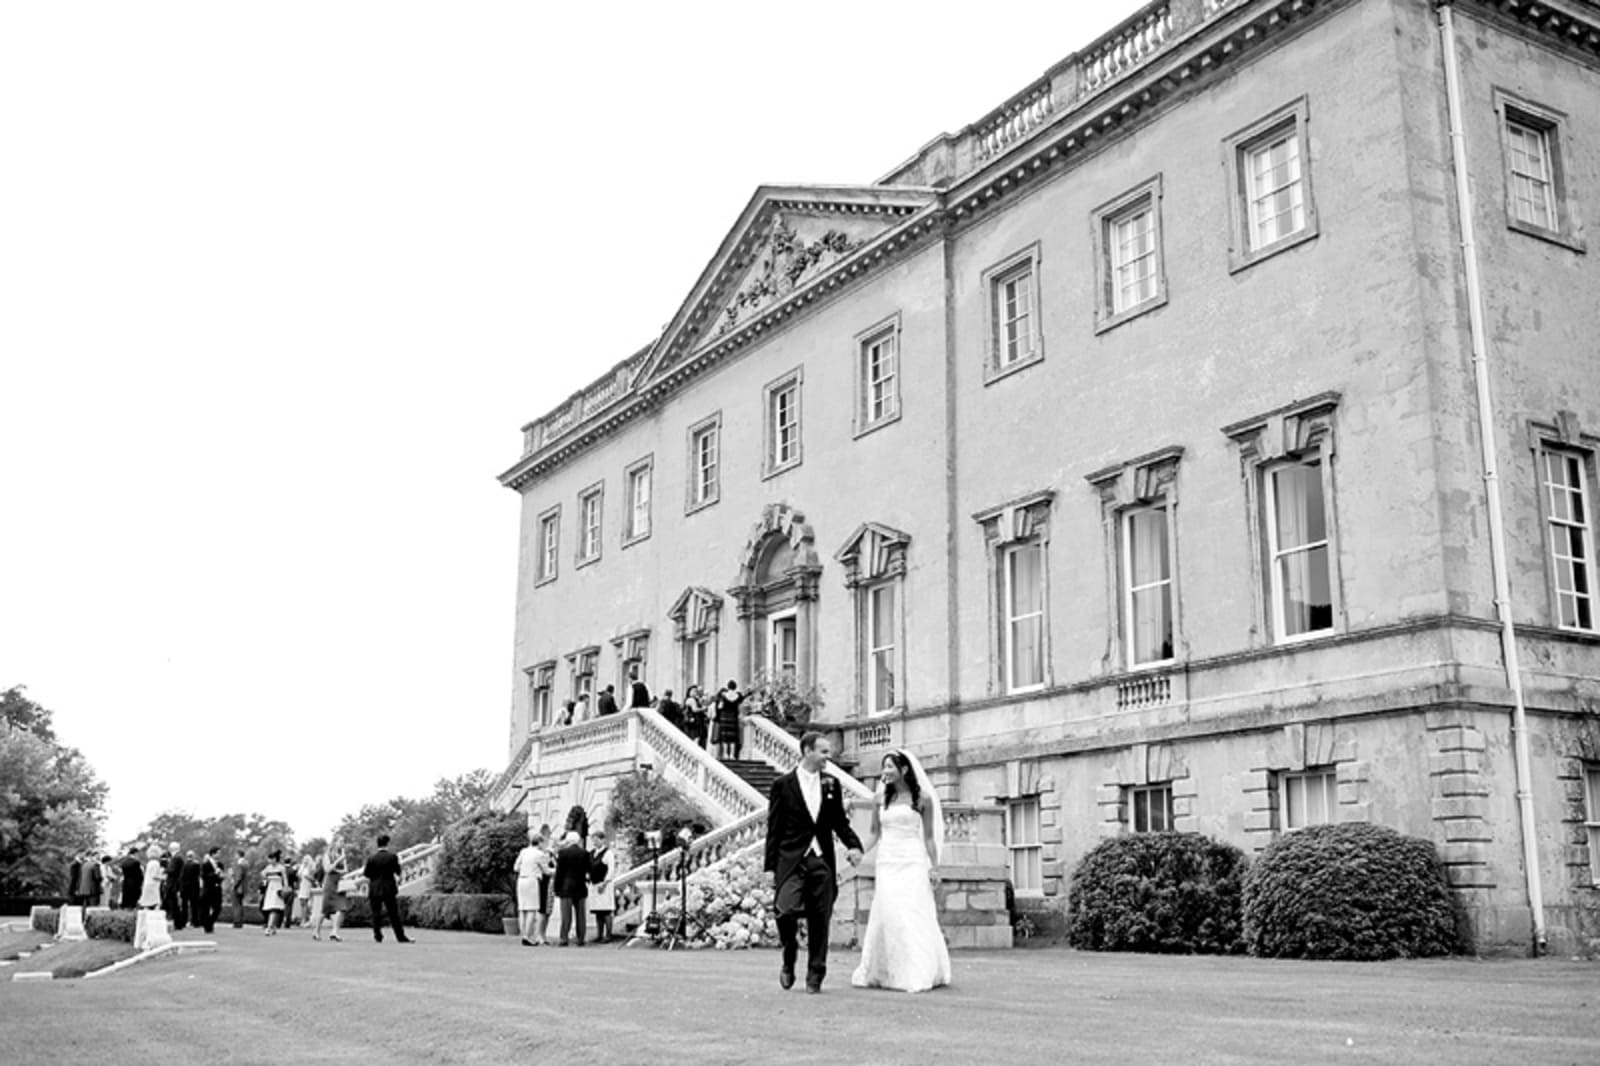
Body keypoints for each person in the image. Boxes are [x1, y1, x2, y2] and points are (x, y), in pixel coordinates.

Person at [764, 730, 863, 994]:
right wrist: (770, 868)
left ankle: (815, 973)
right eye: (823, 752)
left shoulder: (831, 784)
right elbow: (773, 828)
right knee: (784, 910)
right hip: (791, 859)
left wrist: (853, 845)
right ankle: (789, 954)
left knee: (821, 917)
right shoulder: (782, 785)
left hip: (821, 860)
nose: (828, 758)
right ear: (807, 751)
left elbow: (839, 822)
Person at [851, 749, 952, 993]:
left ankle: (917, 971)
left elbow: (928, 838)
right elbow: (875, 833)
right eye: (883, 767)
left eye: (889, 766)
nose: (885, 771)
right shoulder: (879, 799)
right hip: (887, 861)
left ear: (904, 769)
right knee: (888, 912)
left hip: (913, 860)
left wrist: (934, 867)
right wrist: (858, 851)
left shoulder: (922, 799)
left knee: (911, 913)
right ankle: (885, 970)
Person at [362, 833, 412, 944]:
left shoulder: (371, 858)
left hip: (374, 888)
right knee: (394, 913)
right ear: (387, 844)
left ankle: (377, 935)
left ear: (377, 844)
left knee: (376, 913)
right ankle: (400, 936)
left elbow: (366, 874)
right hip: (388, 887)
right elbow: (398, 872)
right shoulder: (392, 857)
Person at [513, 827, 552, 946]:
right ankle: (527, 936)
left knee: (522, 909)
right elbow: (546, 871)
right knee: (531, 909)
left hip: (521, 880)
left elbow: (516, 867)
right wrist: (557, 870)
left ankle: (523, 934)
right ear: (539, 842)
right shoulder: (539, 854)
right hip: (532, 880)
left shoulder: (523, 851)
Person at [552, 831, 590, 947]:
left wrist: (556, 888)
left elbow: (559, 873)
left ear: (568, 840)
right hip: (580, 886)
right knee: (581, 915)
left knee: (566, 916)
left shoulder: (563, 853)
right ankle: (581, 938)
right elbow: (588, 870)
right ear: (578, 840)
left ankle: (564, 938)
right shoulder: (585, 853)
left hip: (566, 887)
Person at [313, 841, 350, 942]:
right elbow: (328, 869)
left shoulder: (342, 855)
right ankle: (316, 931)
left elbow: (345, 870)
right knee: (325, 910)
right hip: (330, 883)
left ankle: (335, 931)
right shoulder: (327, 855)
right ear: (335, 843)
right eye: (340, 842)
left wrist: (341, 862)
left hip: (340, 884)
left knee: (342, 908)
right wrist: (339, 860)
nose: (342, 844)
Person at [587, 830, 615, 944]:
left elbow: (611, 869)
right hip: (594, 884)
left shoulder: (608, 853)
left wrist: (605, 883)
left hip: (604, 885)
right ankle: (599, 934)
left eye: (596, 839)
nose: (594, 842)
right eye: (593, 839)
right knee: (598, 911)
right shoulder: (592, 853)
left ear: (602, 840)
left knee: (606, 911)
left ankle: (608, 935)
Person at [713, 680, 745, 760]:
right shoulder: (738, 695)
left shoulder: (723, 696)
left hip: (724, 717)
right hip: (733, 717)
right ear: (735, 687)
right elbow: (741, 702)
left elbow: (720, 706)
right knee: (733, 737)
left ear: (728, 686)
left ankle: (725, 754)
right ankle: (732, 754)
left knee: (725, 737)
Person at [260, 850, 288, 935]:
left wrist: (285, 888)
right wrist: (265, 878)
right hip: (270, 888)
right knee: (270, 908)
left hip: (278, 888)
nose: (269, 861)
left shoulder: (281, 868)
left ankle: (269, 927)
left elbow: (285, 879)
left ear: (275, 859)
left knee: (275, 909)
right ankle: (273, 926)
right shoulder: (268, 868)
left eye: (271, 859)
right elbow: (262, 874)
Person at [200, 846, 225, 933]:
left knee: (217, 908)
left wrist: (221, 877)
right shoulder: (206, 865)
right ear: (213, 854)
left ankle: (209, 922)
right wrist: (215, 874)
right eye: (218, 853)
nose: (220, 854)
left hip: (217, 889)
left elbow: (221, 876)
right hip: (208, 889)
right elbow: (204, 877)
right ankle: (208, 927)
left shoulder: (220, 865)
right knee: (206, 909)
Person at [137, 844, 166, 910]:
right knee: (157, 902)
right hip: (153, 885)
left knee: (146, 903)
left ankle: (145, 917)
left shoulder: (149, 863)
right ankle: (156, 916)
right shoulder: (156, 863)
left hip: (147, 884)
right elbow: (154, 876)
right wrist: (163, 878)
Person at [180, 849, 203, 930]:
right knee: (194, 906)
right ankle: (195, 921)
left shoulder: (184, 865)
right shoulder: (196, 865)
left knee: (184, 906)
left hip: (184, 888)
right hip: (193, 888)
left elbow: (182, 877)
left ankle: (183, 921)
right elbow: (197, 876)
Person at [227, 850, 249, 928]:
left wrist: (234, 885)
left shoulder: (239, 864)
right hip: (243, 887)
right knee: (240, 904)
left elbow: (239, 877)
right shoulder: (246, 863)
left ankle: (237, 922)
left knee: (236, 905)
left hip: (238, 887)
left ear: (238, 855)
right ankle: (240, 921)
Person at [295, 852, 318, 927]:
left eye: (306, 860)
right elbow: (298, 875)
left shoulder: (311, 867)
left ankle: (305, 920)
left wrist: (307, 876)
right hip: (302, 885)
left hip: (307, 885)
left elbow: (313, 879)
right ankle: (303, 919)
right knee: (301, 902)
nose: (304, 861)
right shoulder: (302, 867)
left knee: (305, 902)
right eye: (304, 859)